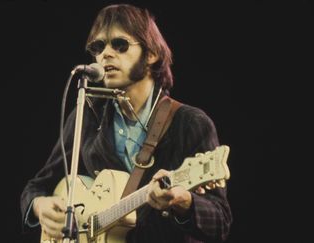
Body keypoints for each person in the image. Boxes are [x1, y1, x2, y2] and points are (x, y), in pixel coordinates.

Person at [20, 3, 232, 243]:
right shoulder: (89, 117)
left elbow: (220, 221)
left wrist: (185, 203)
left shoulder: (190, 123)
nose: (105, 54)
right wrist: (39, 206)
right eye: (98, 47)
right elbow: (36, 187)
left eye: (120, 45)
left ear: (151, 54)